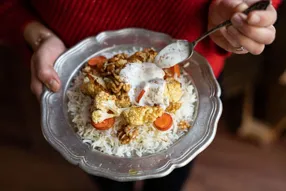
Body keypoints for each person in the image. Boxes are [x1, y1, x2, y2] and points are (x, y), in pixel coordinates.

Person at [0, 0, 281, 191]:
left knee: (172, 177)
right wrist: (36, 34)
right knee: (105, 177)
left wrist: (241, 13)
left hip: (192, 61)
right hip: (72, 64)